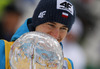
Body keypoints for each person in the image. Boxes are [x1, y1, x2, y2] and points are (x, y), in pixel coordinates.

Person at [0, 0, 76, 69]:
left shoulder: (66, 65)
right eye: (51, 25)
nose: (55, 35)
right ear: (36, 23)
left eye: (63, 28)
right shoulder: (3, 50)